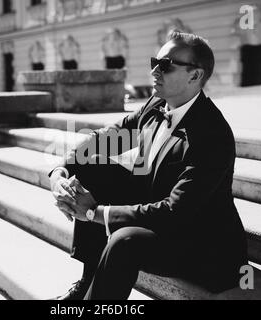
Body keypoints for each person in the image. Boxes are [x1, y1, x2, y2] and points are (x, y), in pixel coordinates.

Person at [49, 31, 248, 300]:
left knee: (125, 240)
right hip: (157, 211)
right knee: (91, 167)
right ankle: (88, 282)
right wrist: (61, 172)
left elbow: (175, 212)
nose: (155, 70)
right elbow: (106, 139)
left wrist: (92, 213)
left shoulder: (212, 134)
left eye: (166, 65)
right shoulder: (156, 104)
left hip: (198, 243)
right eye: (155, 61)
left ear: (195, 76)